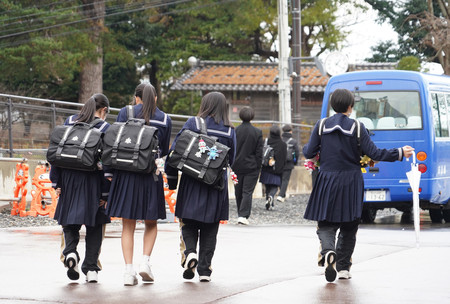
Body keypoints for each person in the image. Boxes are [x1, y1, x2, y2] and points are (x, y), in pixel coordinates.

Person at [302, 88, 414, 282]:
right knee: (349, 224)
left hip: (327, 178)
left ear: (333, 106)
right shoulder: (357, 127)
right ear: (350, 107)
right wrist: (399, 153)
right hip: (351, 180)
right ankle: (343, 268)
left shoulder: (321, 126)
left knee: (326, 223)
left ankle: (328, 250)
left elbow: (308, 151)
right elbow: (375, 154)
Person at [166, 91, 236, 282]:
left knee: (188, 223)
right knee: (210, 229)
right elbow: (232, 160)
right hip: (215, 185)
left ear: (205, 105)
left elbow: (175, 151)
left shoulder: (193, 123)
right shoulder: (230, 131)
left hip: (191, 182)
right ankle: (205, 270)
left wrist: (171, 179)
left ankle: (190, 253)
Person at [106, 83, 172, 286]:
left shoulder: (125, 112)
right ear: (155, 99)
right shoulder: (164, 119)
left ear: (136, 98)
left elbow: (113, 142)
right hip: (150, 175)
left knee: (128, 224)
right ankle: (145, 262)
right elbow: (164, 151)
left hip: (125, 174)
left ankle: (128, 271)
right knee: (150, 223)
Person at [50, 93, 111, 283]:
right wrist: (105, 192)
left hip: (68, 180)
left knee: (69, 221)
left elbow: (58, 155)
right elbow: (105, 161)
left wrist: (56, 182)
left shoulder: (69, 122)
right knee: (96, 224)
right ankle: (91, 268)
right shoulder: (104, 127)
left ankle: (70, 253)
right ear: (104, 110)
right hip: (92, 181)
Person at [231, 106, 263, 225]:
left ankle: (240, 213)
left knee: (238, 191)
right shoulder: (257, 132)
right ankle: (243, 215)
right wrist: (259, 167)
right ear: (252, 116)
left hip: (236, 165)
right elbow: (259, 152)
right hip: (251, 166)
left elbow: (232, 148)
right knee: (247, 191)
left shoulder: (235, 131)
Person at [259, 125, 287, 211]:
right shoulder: (282, 144)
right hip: (277, 169)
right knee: (275, 186)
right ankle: (271, 197)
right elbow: (284, 157)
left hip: (266, 167)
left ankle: (269, 202)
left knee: (267, 186)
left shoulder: (266, 141)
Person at [277, 124, 300, 203]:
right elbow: (297, 153)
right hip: (289, 163)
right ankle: (280, 195)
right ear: (291, 131)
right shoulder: (293, 141)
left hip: (279, 163)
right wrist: (295, 162)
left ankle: (282, 195)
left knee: (280, 179)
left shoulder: (279, 140)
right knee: (285, 179)